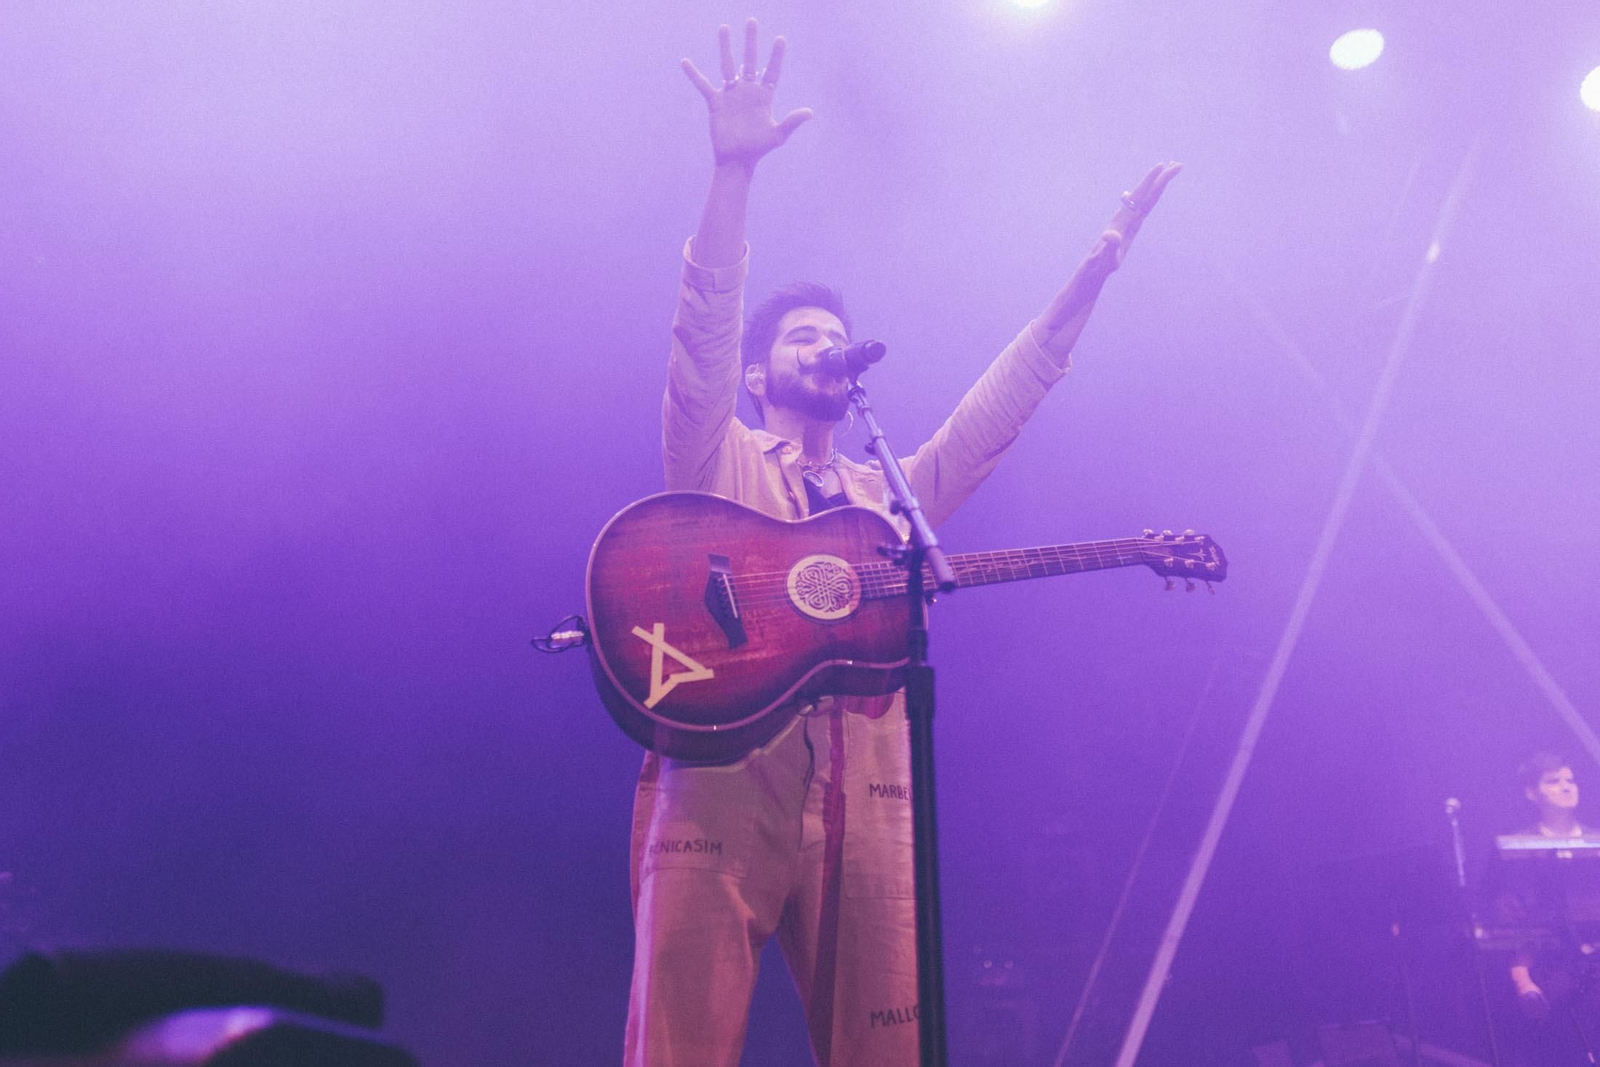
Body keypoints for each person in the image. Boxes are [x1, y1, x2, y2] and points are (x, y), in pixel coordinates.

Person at [625, 17, 1180, 1065]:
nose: (826, 348)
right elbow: (699, 335)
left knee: (888, 1048)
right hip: (723, 771)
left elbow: (990, 416)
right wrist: (732, 176)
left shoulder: (888, 498)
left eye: (836, 338)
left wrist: (1091, 276)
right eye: (801, 339)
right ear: (759, 374)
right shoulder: (720, 457)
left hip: (868, 779)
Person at [1491, 753, 1600, 1065]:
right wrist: (1522, 980)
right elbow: (1512, 922)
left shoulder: (1596, 841)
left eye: (1570, 780)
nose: (1567, 787)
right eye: (1554, 781)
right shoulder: (1517, 850)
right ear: (1531, 793)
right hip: (1552, 971)